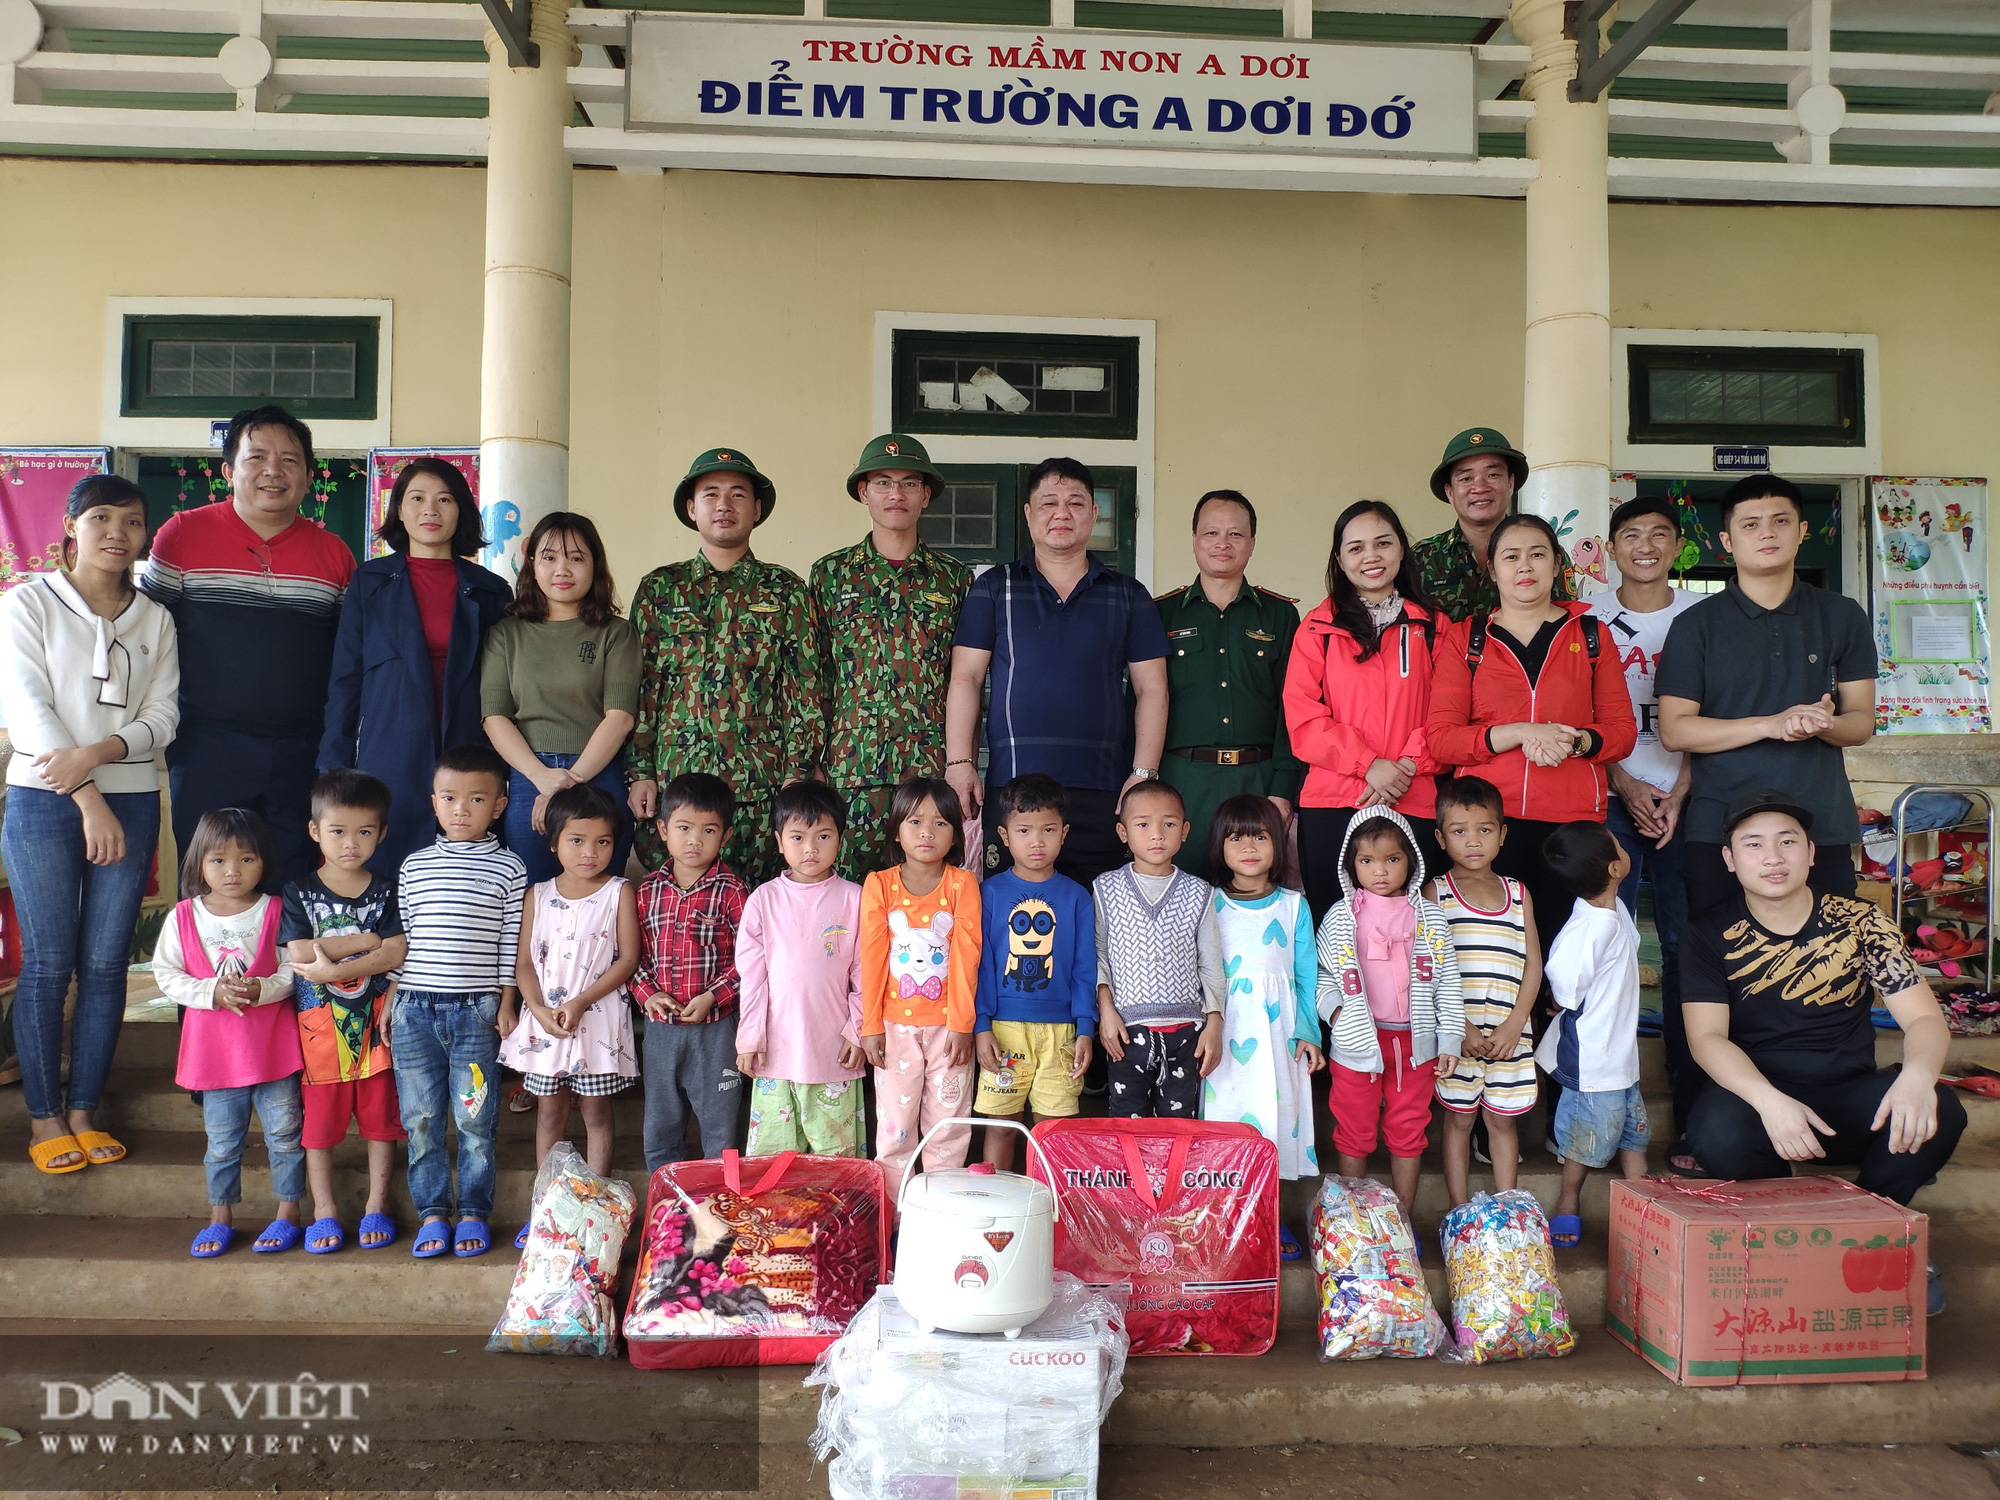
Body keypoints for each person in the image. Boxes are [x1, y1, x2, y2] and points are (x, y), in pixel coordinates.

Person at [1683, 792, 1966, 1311]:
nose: (1773, 857)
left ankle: (1878, 1228)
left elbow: (1924, 1017)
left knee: (1940, 1106)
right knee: (1715, 1132)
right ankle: (1788, 1235)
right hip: (1765, 1102)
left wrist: (1918, 1077)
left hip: (1849, 1098)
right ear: (1730, 860)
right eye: (1754, 845)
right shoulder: (1709, 932)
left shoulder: (1862, 922)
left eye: (1787, 842)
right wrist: (1769, 1102)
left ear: (1812, 853)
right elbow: (1707, 1039)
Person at [1, 475, 178, 1175]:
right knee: (50, 960)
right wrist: (87, 796)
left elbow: (163, 718)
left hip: (132, 795)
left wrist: (104, 757)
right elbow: (29, 710)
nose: (115, 532)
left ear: (144, 537)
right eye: (100, 517)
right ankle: (45, 1115)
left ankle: (84, 1111)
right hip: (46, 799)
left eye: (131, 522)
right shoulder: (26, 605)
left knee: (106, 964)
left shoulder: (155, 619)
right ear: (71, 526)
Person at [141, 405, 356, 882]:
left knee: (292, 877)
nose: (273, 472)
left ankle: (282, 961)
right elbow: (144, 633)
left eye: (290, 460)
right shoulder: (180, 536)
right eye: (256, 457)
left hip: (303, 749)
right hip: (206, 743)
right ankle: (202, 961)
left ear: (307, 476)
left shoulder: (335, 554)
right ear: (228, 471)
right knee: (211, 878)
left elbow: (346, 660)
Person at [1656, 475, 1876, 921]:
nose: (1767, 533)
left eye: (1780, 520)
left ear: (1802, 531)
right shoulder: (1695, 624)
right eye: (1751, 524)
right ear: (1727, 540)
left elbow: (1862, 723)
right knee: (1723, 963)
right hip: (1721, 827)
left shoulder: (1842, 614)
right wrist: (1770, 724)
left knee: (1829, 959)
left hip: (1820, 824)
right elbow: (1675, 730)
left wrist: (1824, 723)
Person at [946, 457, 1169, 887]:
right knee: (1013, 921)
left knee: (1096, 923)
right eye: (1048, 502)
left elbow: (1152, 689)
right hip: (1013, 788)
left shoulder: (1128, 595)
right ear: (1028, 514)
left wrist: (1142, 776)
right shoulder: (995, 587)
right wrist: (959, 764)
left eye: (1075, 503)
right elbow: (966, 679)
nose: (1061, 513)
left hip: (1103, 791)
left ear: (1094, 513)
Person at [1425, 512, 1637, 961]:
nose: (1525, 566)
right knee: (1490, 960)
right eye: (1511, 556)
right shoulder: (1468, 639)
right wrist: (1522, 732)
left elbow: (1621, 734)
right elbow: (1442, 740)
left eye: (1537, 554)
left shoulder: (1592, 635)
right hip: (1487, 827)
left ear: (1557, 564)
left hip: (1571, 826)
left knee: (1566, 962)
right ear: (1492, 569)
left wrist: (1575, 741)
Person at [629, 448, 824, 886]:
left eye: (738, 494)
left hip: (762, 786)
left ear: (756, 509)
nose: (724, 505)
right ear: (691, 507)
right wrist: (640, 773)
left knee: (760, 908)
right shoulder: (661, 589)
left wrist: (797, 773)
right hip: (678, 783)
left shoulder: (785, 589)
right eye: (711, 493)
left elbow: (805, 689)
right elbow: (642, 687)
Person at [319, 458, 512, 873]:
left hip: (468, 745)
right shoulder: (369, 583)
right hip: (390, 746)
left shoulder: (490, 590)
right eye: (417, 498)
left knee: (464, 869)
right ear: (399, 509)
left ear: (460, 510)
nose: (430, 510)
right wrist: (333, 767)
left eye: (444, 499)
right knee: (388, 859)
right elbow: (345, 680)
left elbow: (508, 682)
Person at [1586, 496, 1699, 1169]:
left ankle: (1692, 1115)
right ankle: (1606, 1117)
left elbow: (1722, 707)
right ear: (1610, 547)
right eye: (1632, 535)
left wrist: (1682, 787)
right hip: (1608, 802)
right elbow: (1577, 716)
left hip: (1692, 802)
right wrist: (1625, 787)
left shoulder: (1704, 615)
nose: (1647, 546)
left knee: (1689, 956)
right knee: (1609, 961)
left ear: (1678, 545)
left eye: (1661, 535)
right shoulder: (1589, 619)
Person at [811, 434, 973, 879]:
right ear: (864, 492)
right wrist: (814, 763)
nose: (895, 494)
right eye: (882, 482)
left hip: (928, 771)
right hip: (850, 769)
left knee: (926, 899)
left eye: (908, 483)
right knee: (849, 895)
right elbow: (817, 677)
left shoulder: (954, 580)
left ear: (926, 495)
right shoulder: (830, 574)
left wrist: (964, 764)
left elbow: (969, 679)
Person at [1285, 499, 1446, 924]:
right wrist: (1369, 764)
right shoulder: (1316, 629)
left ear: (1401, 550)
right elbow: (1303, 718)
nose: (1370, 556)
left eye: (1383, 543)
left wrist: (1405, 767)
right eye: (1355, 548)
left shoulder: (1434, 627)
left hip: (1414, 796)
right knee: (1333, 930)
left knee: (1411, 932)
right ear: (1339, 559)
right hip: (1334, 799)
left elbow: (1450, 713)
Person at [393, 744, 525, 1260]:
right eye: (449, 798)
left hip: (476, 1010)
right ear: (434, 802)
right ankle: (431, 1212)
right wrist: (393, 1001)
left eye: (476, 799)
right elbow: (405, 940)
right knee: (421, 1119)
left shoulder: (510, 868)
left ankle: (473, 1209)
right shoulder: (415, 866)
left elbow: (511, 942)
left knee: (474, 1120)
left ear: (499, 805)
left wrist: (506, 1002)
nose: (461, 809)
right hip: (414, 1010)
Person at [155, 809, 303, 1258]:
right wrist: (210, 991)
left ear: (265, 861)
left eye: (247, 859)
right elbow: (166, 974)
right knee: (221, 1143)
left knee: (285, 1134)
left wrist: (262, 988)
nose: (232, 871)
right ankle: (220, 1216)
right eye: (218, 860)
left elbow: (295, 970)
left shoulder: (278, 911)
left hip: (273, 1049)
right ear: (198, 861)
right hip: (214, 1055)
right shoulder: (183, 916)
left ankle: (288, 1213)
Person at [500, 784, 641, 1246]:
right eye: (577, 841)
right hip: (545, 1024)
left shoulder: (619, 892)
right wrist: (536, 1008)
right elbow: (523, 962)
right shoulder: (537, 895)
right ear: (553, 842)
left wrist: (580, 1002)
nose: (590, 852)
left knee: (597, 1112)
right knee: (549, 1113)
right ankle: (548, 1209)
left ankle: (595, 1209)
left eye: (603, 842)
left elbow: (627, 959)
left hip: (595, 1021)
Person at [1315, 806, 1463, 1226]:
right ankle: (1351, 1225)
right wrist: (1338, 1013)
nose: (1380, 871)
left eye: (1392, 859)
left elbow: (1448, 981)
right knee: (1354, 1128)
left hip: (1414, 1046)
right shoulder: (1342, 917)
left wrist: (1449, 1038)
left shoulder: (1429, 917)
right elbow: (1322, 974)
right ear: (1351, 865)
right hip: (1358, 1042)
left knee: (1408, 1129)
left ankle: (1402, 1221)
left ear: (1411, 861)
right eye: (1367, 861)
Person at [279, 770, 407, 1253]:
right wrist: (369, 939)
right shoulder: (299, 892)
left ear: (382, 833)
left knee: (380, 1118)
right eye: (337, 831)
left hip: (378, 1027)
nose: (350, 843)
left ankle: (378, 1203)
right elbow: (298, 953)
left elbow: (397, 954)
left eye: (364, 832)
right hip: (318, 1032)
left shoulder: (389, 890)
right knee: (318, 1127)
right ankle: (324, 1209)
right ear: (315, 831)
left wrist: (332, 962)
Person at [481, 512, 640, 886]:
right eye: (549, 557)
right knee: (534, 896)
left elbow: (619, 716)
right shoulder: (506, 634)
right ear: (532, 564)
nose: (562, 569)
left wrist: (568, 782)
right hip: (527, 778)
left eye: (576, 558)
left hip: (599, 776)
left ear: (595, 565)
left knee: (599, 897)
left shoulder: (616, 633)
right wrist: (542, 779)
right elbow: (494, 716)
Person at [1155, 490, 1302, 874]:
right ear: (1194, 541)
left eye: (1236, 535)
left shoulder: (1280, 616)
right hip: (1181, 781)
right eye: (1211, 533)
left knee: (1255, 898)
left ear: (1252, 544)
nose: (1223, 543)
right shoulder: (1160, 614)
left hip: (1258, 778)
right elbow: (1137, 702)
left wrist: (1284, 791)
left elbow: (1295, 707)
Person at [858, 776, 982, 1196]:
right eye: (915, 821)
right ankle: (894, 1224)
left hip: (949, 1032)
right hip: (895, 1031)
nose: (927, 832)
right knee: (895, 1131)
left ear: (955, 833)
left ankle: (940, 1217)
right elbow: (871, 962)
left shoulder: (962, 885)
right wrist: (870, 1025)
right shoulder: (880, 884)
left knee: (947, 1130)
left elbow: (967, 959)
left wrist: (963, 1024)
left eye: (940, 823)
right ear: (897, 830)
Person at [1203, 795, 1323, 1214]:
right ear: (1219, 845)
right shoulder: (1209, 903)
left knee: (1275, 1119)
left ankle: (1268, 1220)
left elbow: (1308, 976)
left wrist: (1309, 1032)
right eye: (1236, 838)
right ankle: (1223, 1219)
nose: (1249, 848)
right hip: (1225, 1034)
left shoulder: (1294, 906)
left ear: (1279, 844)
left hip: (1278, 1036)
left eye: (1260, 837)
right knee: (1225, 1119)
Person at [973, 775, 1098, 1170]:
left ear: (1064, 834)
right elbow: (980, 965)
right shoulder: (988, 892)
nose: (1037, 841)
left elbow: (1084, 967)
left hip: (1060, 1033)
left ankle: (1049, 1212)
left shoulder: (1077, 896)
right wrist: (981, 1026)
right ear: (1004, 836)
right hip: (1003, 1030)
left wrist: (1085, 1028)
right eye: (1024, 831)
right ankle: (999, 1205)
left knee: (1053, 1130)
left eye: (1048, 830)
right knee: (1001, 1126)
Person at [1428, 775, 1542, 1208]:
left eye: (1484, 830)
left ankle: (1509, 1208)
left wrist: (1516, 1024)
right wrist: (1461, 1027)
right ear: (1441, 837)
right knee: (1457, 1120)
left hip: (1510, 1033)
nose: (1472, 841)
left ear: (1502, 835)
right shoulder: (1436, 894)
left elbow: (1534, 962)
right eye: (1459, 831)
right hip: (1459, 1035)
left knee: (1501, 1121)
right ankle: (1459, 1212)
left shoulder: (1518, 893)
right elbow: (1430, 969)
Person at [735, 781, 866, 1157]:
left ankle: (835, 1220)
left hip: (834, 1054)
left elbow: (866, 973)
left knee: (835, 1164)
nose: (810, 848)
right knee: (774, 1164)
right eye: (797, 837)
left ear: (840, 839)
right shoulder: (764, 900)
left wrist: (857, 1031)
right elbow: (753, 979)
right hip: (774, 1056)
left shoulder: (855, 899)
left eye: (823, 836)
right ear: (779, 841)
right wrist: (749, 1039)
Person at [630, 772, 749, 1172]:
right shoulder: (646, 892)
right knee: (661, 1128)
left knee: (721, 1131)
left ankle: (721, 1213)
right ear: (663, 829)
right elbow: (632, 958)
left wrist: (715, 995)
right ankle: (668, 1210)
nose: (694, 840)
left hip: (716, 1030)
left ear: (726, 835)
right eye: (683, 828)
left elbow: (751, 960)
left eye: (708, 830)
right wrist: (648, 994)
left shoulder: (733, 891)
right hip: (661, 1030)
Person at [1536, 821, 1646, 1249]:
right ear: (1616, 868)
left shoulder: (1612, 909)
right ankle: (1568, 1200)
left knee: (1634, 1128)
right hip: (1596, 1058)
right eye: (1619, 843)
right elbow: (1563, 979)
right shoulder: (1593, 927)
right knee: (1586, 1137)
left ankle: (1643, 1197)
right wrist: (1561, 1000)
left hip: (1620, 1050)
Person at [1094, 781, 1225, 1118]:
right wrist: (1106, 1013)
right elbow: (1099, 957)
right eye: (1143, 825)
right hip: (1126, 1031)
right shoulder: (1105, 889)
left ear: (1185, 831)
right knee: (1127, 1119)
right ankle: (1134, 1174)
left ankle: (1169, 1174)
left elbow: (1211, 964)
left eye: (1168, 824)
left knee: (1179, 1124)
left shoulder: (1200, 893)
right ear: (1123, 832)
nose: (1157, 835)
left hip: (1187, 1035)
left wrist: (1214, 1024)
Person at [1413, 426, 1573, 623]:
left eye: (1493, 475)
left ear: (1511, 483)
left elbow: (1567, 627)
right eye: (1466, 478)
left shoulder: (1544, 554)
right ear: (1450, 492)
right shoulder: (1422, 558)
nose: (1480, 487)